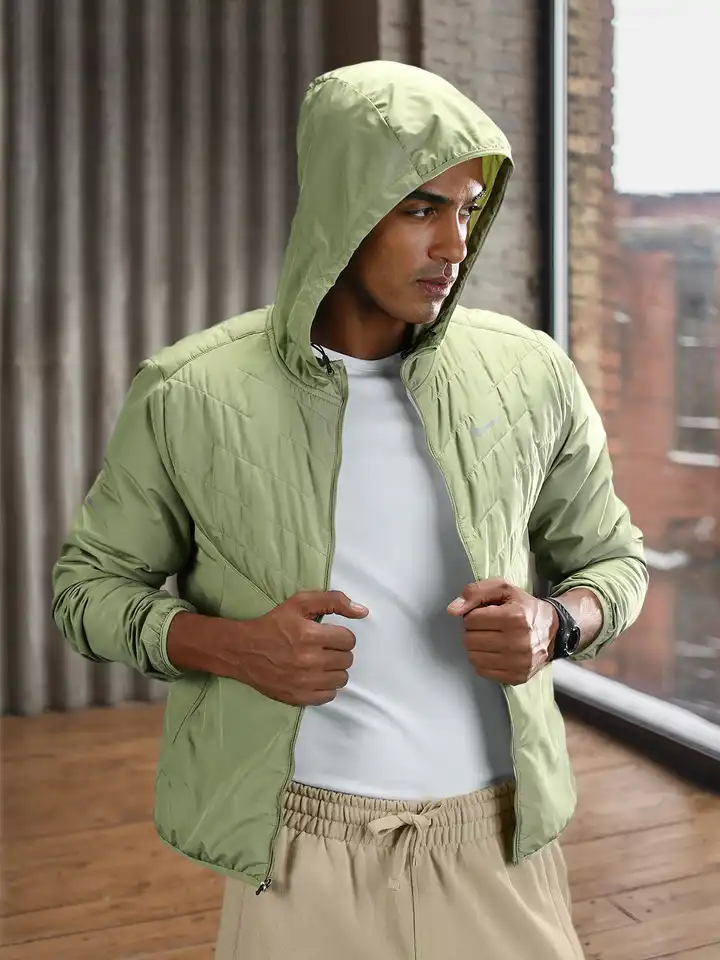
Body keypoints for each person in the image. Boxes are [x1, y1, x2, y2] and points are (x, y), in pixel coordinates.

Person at [52, 61, 648, 959]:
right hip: (298, 853)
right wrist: (233, 647)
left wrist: (558, 622)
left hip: (499, 842)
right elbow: (86, 591)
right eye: (420, 209)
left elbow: (615, 560)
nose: (453, 245)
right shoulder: (190, 391)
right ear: (343, 206)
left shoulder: (529, 374)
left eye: (467, 210)